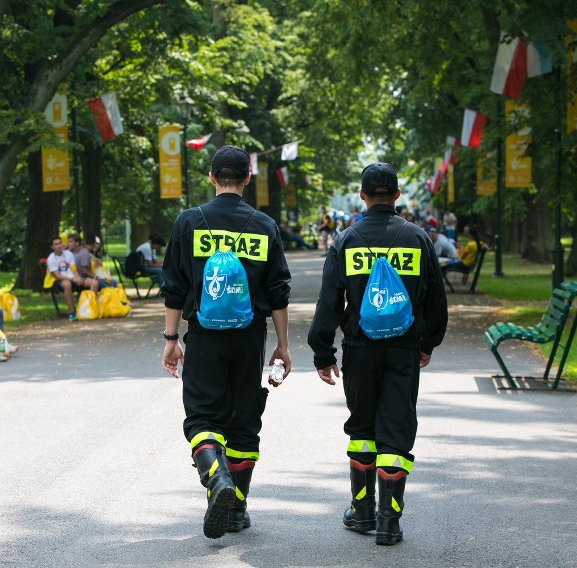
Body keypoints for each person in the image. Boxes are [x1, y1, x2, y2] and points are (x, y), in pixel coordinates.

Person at [307, 162, 448, 545]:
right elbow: (435, 299)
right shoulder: (418, 239)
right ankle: (390, 522)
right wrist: (426, 342)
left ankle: (362, 510)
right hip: (403, 349)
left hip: (359, 349)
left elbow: (329, 301)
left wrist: (323, 352)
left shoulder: (347, 239)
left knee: (363, 428)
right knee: (396, 430)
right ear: (398, 195)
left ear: (363, 195)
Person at [160, 145, 292, 539]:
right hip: (249, 337)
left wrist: (171, 339)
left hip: (204, 336)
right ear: (248, 178)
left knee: (202, 417)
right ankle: (236, 511)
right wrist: (283, 345)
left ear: (212, 177)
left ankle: (216, 479)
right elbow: (279, 291)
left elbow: (174, 287)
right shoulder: (264, 225)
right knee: (244, 422)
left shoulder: (189, 222)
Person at [46, 235, 96, 321]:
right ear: (52, 247)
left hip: (73, 278)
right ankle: (72, 312)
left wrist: (78, 277)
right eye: (56, 244)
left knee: (94, 283)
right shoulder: (51, 259)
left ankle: (88, 308)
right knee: (67, 284)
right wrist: (73, 279)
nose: (59, 246)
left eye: (60, 243)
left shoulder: (68, 254)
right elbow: (57, 275)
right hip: (60, 280)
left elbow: (74, 269)